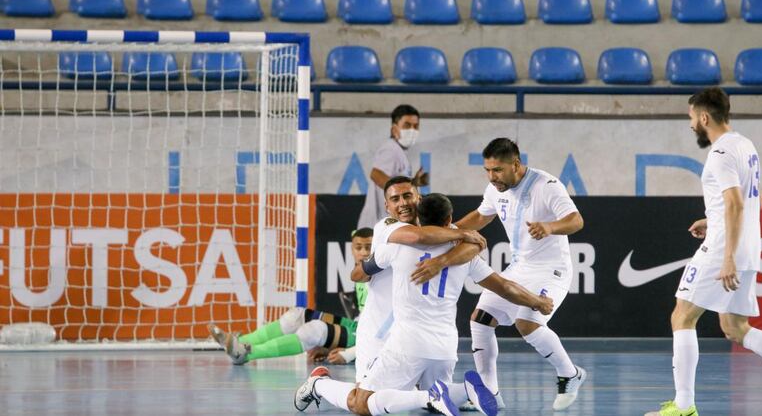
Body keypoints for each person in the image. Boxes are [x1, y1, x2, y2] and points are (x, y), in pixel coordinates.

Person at [294, 193, 554, 416]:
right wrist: (538, 302)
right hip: (445, 347)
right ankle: (465, 390)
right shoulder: (466, 252)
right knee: (426, 401)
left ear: (418, 218)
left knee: (360, 402)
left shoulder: (397, 246)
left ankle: (318, 384)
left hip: (407, 344)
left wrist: (363, 268)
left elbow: (362, 271)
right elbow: (505, 287)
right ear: (450, 220)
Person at [645, 87, 762, 416]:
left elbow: (734, 202)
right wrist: (712, 218)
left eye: (691, 117)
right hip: (747, 246)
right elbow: (754, 200)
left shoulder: (720, 153)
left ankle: (684, 406)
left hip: (722, 249)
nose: (690, 125)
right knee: (735, 328)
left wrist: (727, 255)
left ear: (704, 117)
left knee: (682, 317)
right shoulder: (745, 145)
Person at [451, 138, 586, 411]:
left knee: (527, 323)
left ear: (516, 164)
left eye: (497, 170)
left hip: (552, 269)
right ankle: (490, 395)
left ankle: (570, 374)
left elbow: (576, 221)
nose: (492, 177)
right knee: (480, 321)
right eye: (487, 170)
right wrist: (449, 232)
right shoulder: (494, 189)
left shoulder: (547, 186)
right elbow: (481, 216)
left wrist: (549, 227)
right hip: (520, 267)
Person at [351, 176, 488, 385]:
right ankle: (319, 385)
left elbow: (470, 243)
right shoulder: (387, 228)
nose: (403, 203)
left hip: (411, 335)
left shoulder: (440, 232)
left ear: (419, 198)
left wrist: (448, 256)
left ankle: (464, 392)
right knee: (366, 398)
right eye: (395, 199)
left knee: (427, 398)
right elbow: (418, 237)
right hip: (378, 331)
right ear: (387, 207)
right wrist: (465, 234)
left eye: (407, 196)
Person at [207, 228, 373, 365]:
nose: (364, 252)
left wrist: (350, 353)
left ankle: (247, 353)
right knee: (297, 316)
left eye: (369, 247)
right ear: (351, 249)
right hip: (357, 327)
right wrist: (330, 345)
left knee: (314, 331)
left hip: (370, 336)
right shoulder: (359, 274)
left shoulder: (382, 277)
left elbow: (388, 330)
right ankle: (240, 342)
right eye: (359, 247)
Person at [357, 104, 429, 229]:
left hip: (387, 225)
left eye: (415, 126)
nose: (412, 130)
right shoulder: (390, 149)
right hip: (376, 226)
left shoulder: (399, 151)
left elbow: (394, 181)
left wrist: (413, 183)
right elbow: (376, 174)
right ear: (394, 129)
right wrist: (404, 192)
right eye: (407, 125)